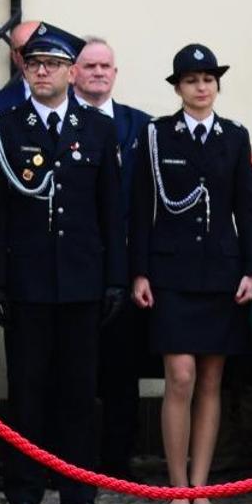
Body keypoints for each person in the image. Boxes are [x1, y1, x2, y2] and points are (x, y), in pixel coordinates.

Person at [0, 23, 122, 504]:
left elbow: (111, 211)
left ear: (71, 73)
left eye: (54, 64)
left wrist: (114, 278)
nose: (43, 72)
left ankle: (77, 492)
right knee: (28, 391)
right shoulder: (5, 128)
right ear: (24, 70)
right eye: (35, 63)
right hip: (27, 282)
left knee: (79, 392)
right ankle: (23, 492)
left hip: (82, 280)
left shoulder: (97, 129)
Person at [129, 44, 252, 504]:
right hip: (171, 274)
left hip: (221, 273)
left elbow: (247, 208)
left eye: (208, 79)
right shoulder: (157, 135)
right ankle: (176, 485)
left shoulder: (234, 136)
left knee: (210, 380)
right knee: (180, 375)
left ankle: (202, 488)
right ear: (178, 88)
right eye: (191, 80)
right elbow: (141, 207)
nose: (201, 87)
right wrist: (139, 270)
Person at [73, 36, 151, 477]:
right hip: (77, 265)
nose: (99, 72)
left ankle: (119, 463)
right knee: (73, 371)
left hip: (125, 268)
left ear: (115, 74)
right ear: (74, 73)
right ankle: (70, 462)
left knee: (122, 371)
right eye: (90, 66)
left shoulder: (142, 126)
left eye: (105, 66)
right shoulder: (61, 123)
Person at [0, 20, 42, 113]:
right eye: (24, 49)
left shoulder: (68, 97)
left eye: (40, 47)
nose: (33, 54)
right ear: (14, 56)